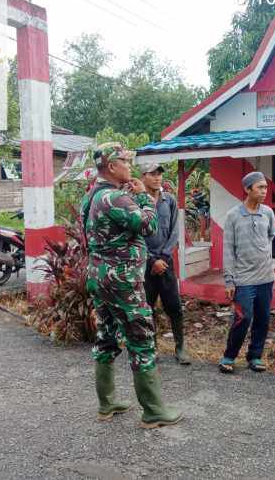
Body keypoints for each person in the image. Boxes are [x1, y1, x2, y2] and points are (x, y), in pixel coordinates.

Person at [82, 142, 182, 428]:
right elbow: (148, 227)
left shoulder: (92, 197)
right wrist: (143, 198)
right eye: (126, 161)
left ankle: (107, 402)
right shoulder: (115, 198)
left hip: (100, 277)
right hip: (122, 280)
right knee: (141, 339)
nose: (130, 166)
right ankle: (153, 410)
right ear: (112, 167)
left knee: (107, 335)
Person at [219, 171, 275, 374]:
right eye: (260, 187)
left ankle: (255, 356)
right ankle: (229, 355)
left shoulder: (268, 213)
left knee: (262, 318)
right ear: (247, 189)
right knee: (244, 317)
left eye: (265, 187)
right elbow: (228, 250)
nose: (264, 191)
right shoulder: (233, 215)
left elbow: (270, 236)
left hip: (266, 278)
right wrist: (229, 281)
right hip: (243, 279)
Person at [140, 163, 191, 365]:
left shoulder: (169, 200)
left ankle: (180, 348)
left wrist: (163, 257)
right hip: (145, 264)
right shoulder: (136, 202)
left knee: (175, 307)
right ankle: (152, 348)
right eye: (152, 174)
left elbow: (174, 232)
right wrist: (152, 259)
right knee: (147, 307)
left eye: (159, 174)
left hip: (166, 263)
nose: (157, 177)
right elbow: (135, 235)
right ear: (143, 176)